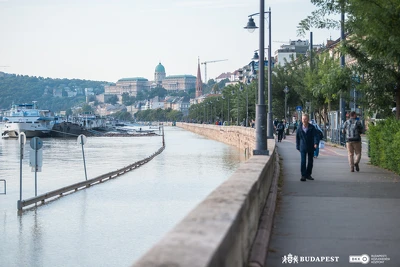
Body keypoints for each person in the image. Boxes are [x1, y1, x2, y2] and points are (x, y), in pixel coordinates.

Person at [296, 114, 319, 182]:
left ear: (308, 119)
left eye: (305, 119)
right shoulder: (299, 128)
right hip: (302, 146)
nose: (304, 120)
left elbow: (315, 136)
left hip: (310, 146)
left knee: (310, 161)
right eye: (303, 119)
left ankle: (308, 174)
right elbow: (297, 138)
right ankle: (303, 175)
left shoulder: (312, 127)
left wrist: (315, 143)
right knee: (303, 161)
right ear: (301, 120)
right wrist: (298, 146)